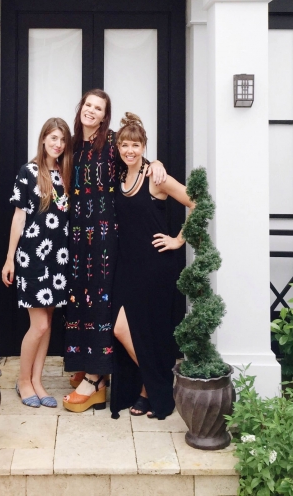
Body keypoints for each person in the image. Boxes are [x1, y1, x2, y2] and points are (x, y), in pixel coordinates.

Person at [63, 91, 167, 413]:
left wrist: (157, 163)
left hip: (106, 239)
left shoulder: (110, 142)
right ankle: (86, 364)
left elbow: (135, 158)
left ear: (105, 115)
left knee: (101, 307)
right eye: (88, 105)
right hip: (77, 235)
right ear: (80, 107)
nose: (91, 111)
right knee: (79, 302)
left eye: (99, 108)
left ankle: (96, 377)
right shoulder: (71, 143)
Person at [110, 112, 195, 420]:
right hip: (127, 266)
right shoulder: (121, 176)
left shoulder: (155, 176)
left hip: (156, 265)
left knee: (150, 331)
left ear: (144, 146)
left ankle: (151, 390)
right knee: (123, 329)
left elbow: (196, 202)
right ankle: (153, 383)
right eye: (124, 145)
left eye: (135, 145)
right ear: (118, 147)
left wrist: (178, 240)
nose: (129, 150)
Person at [2, 117, 72, 408]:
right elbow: (19, 216)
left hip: (58, 259)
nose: (57, 144)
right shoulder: (28, 172)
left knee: (49, 323)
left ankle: (38, 381)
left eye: (62, 139)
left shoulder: (65, 174)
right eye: (52, 138)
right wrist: (9, 258)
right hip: (32, 257)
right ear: (43, 139)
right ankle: (22, 381)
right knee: (39, 325)